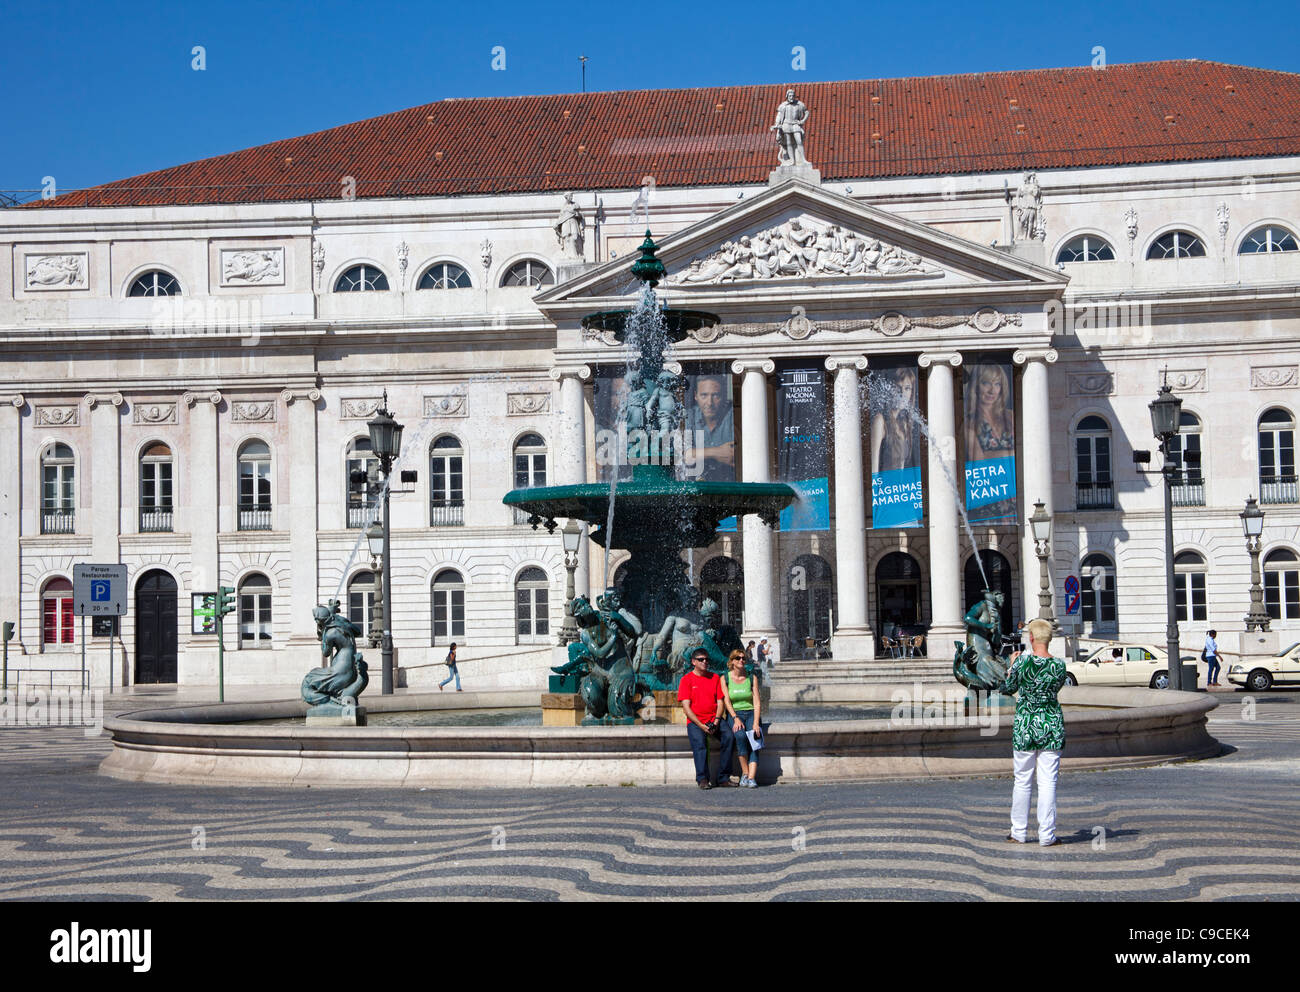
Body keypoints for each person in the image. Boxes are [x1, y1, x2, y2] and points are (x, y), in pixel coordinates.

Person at [998, 618, 1067, 847]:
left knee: (1023, 781)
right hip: (1051, 725)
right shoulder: (1059, 665)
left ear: (1030, 638)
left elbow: (1007, 689)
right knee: (1048, 783)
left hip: (1026, 725)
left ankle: (1018, 832)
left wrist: (1011, 666)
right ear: (1049, 639)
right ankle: (1047, 835)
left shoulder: (1022, 663)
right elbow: (1055, 688)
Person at [678, 648, 732, 788]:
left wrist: (716, 721)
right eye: (701, 659)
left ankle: (723, 777)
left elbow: (720, 702)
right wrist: (701, 725)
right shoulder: (686, 680)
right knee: (700, 745)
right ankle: (702, 779)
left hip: (714, 720)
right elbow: (686, 708)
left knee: (730, 737)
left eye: (707, 659)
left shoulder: (714, 678)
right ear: (693, 662)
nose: (705, 662)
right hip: (696, 722)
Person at [721, 649, 762, 788]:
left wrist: (756, 722)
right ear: (732, 661)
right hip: (736, 714)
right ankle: (745, 773)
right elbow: (726, 701)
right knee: (740, 736)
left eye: (743, 658)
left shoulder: (752, 678)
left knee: (754, 739)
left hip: (751, 713)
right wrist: (735, 718)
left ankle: (751, 777)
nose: (741, 661)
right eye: (738, 658)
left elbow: (756, 701)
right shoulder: (725, 678)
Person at [685, 374, 735, 481]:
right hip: (697, 487)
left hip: (731, 485)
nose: (709, 403)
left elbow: (738, 453)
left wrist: (697, 453)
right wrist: (716, 452)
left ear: (724, 397)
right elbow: (680, 454)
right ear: (695, 396)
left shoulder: (733, 416)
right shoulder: (689, 417)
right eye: (704, 395)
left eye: (715, 395)